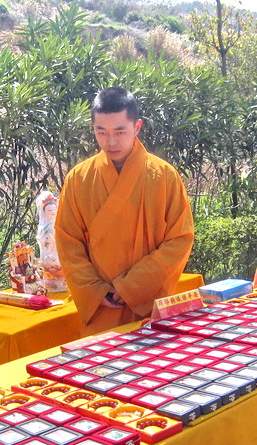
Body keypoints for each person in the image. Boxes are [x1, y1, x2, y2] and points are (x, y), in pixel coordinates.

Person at [55, 87, 195, 334]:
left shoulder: (164, 176)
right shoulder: (78, 179)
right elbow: (68, 241)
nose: (111, 141)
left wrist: (131, 286)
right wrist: (94, 290)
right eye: (102, 132)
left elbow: (180, 239)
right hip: (101, 308)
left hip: (148, 303)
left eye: (120, 132)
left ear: (137, 127)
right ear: (93, 129)